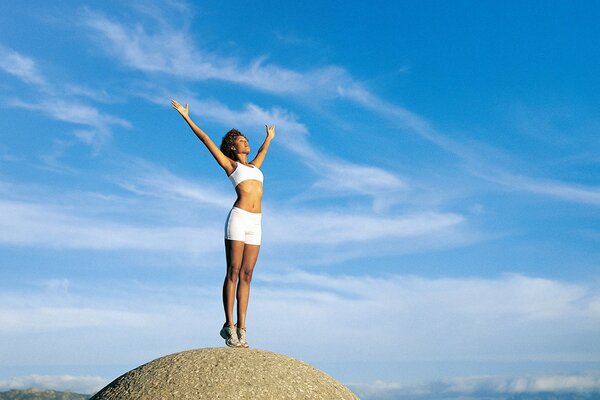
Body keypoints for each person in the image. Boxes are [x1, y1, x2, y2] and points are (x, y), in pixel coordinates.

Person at [171, 99, 275, 348]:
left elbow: (261, 153)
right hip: (238, 219)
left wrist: (269, 138)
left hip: (256, 222)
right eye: (241, 140)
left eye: (246, 139)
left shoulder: (254, 166)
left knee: (248, 275)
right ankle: (229, 327)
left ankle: (243, 328)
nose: (246, 142)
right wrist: (187, 116)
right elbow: (205, 139)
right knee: (234, 271)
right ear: (232, 146)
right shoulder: (231, 165)